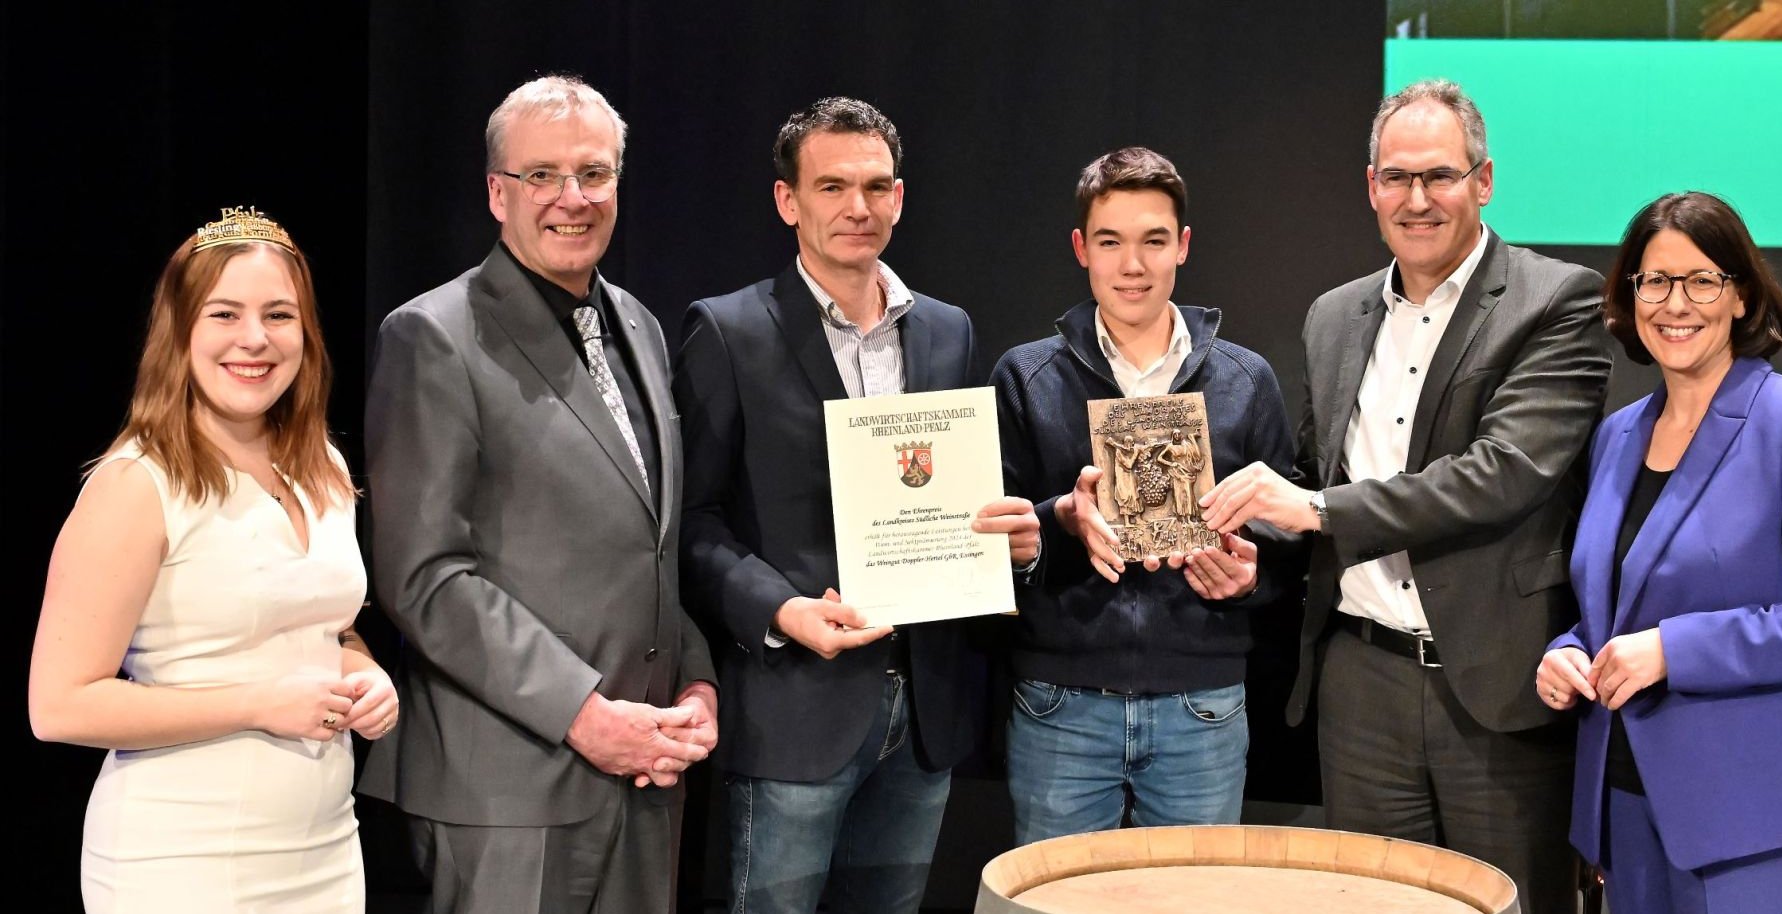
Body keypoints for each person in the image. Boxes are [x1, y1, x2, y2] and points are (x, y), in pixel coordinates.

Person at [1200, 80, 1613, 913]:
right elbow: (1318, 477)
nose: (1417, 200)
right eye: (1397, 178)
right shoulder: (1333, 315)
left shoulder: (1557, 300)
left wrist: (1313, 510)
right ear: (1370, 186)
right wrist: (1252, 556)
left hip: (1496, 689)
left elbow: (1503, 472)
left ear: (1484, 180)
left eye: (1440, 177)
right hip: (1362, 686)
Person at [358, 75, 716, 914]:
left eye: (594, 174)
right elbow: (425, 577)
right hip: (510, 797)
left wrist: (695, 687)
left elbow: (650, 548)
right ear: (496, 192)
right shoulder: (433, 336)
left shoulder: (640, 323)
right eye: (542, 176)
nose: (572, 199)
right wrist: (585, 715)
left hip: (647, 778)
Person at [673, 96, 1037, 914]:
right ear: (787, 201)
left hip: (924, 710)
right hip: (794, 705)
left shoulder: (947, 330)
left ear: (900, 198)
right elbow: (690, 526)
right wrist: (780, 610)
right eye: (832, 186)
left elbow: (964, 494)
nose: (857, 208)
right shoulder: (728, 331)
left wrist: (1009, 540)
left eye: (876, 187)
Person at [28, 206, 396, 912]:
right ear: (181, 332)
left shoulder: (321, 464)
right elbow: (59, 705)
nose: (254, 339)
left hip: (322, 851)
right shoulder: (138, 483)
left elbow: (324, 626)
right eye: (224, 314)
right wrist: (258, 704)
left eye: (279, 315)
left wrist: (363, 671)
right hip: (180, 858)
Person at [1535, 191, 1782, 914]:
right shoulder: (1618, 437)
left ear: (1742, 297)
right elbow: (1618, 602)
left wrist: (1673, 650)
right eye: (1655, 281)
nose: (1676, 303)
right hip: (1625, 804)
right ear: (1629, 297)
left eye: (1702, 280)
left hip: (1756, 818)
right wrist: (1569, 651)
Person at [991, 146, 1288, 844]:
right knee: (1055, 900)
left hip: (1203, 705)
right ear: (1080, 249)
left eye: (1154, 240)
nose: (1133, 264)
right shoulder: (1026, 376)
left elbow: (1291, 537)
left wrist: (1249, 577)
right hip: (1061, 704)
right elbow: (991, 539)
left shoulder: (1246, 380)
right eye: (1111, 242)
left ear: (1182, 246)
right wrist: (1058, 520)